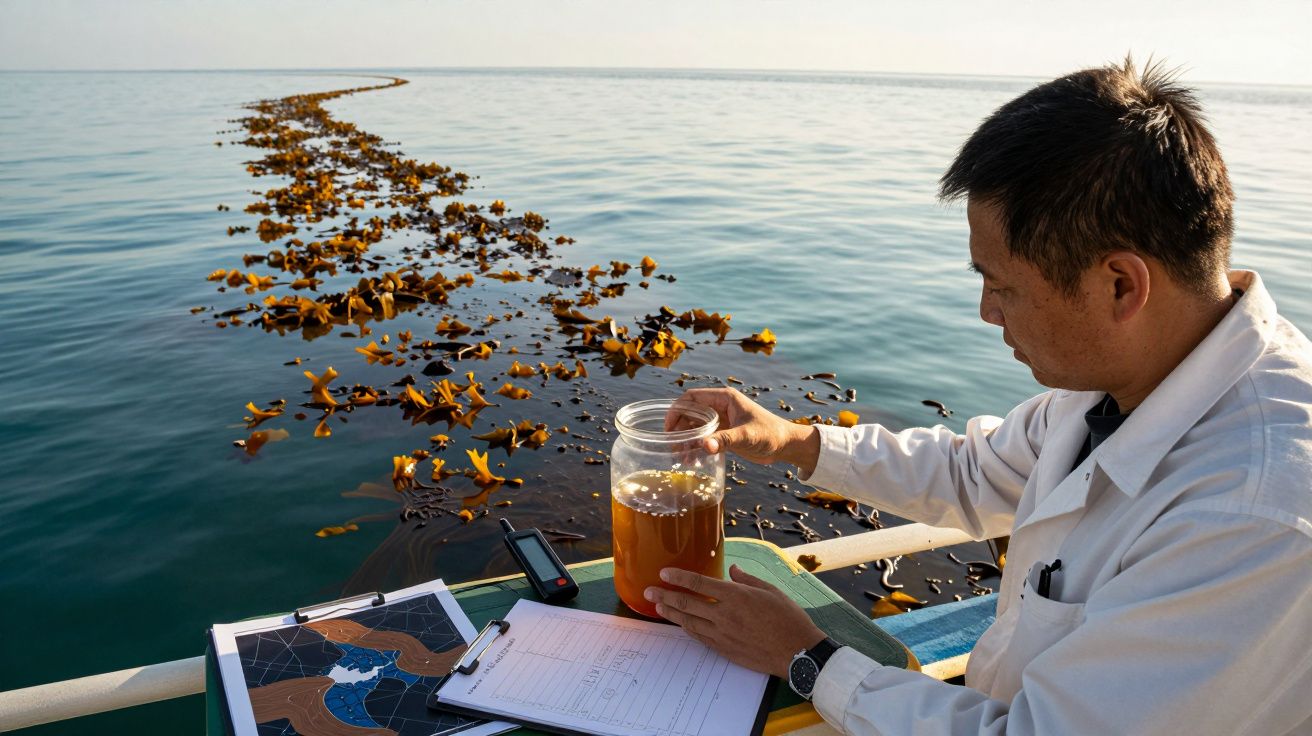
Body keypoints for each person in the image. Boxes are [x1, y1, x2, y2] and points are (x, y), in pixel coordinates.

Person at [645, 57, 1312, 734]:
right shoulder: (1135, 375)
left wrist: (808, 657)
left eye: (1003, 285)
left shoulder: (1251, 513)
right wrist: (792, 440)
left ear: (1120, 285)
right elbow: (974, 471)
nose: (988, 312)